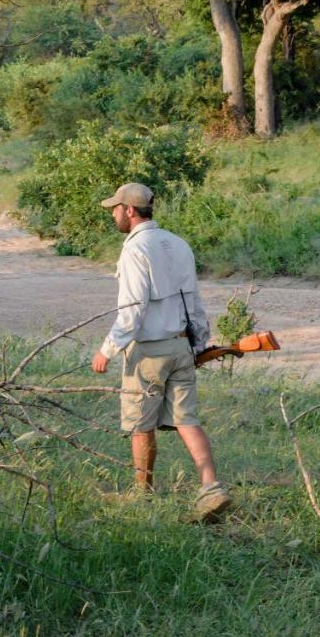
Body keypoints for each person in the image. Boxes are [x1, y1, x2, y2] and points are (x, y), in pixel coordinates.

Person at [89, 182, 231, 519]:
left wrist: (107, 349)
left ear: (129, 210)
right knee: (187, 420)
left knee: (141, 424)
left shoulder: (135, 249)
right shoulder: (178, 244)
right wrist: (197, 344)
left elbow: (133, 308)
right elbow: (194, 300)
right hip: (182, 344)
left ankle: (143, 494)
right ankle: (210, 486)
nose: (113, 214)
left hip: (149, 351)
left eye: (115, 208)